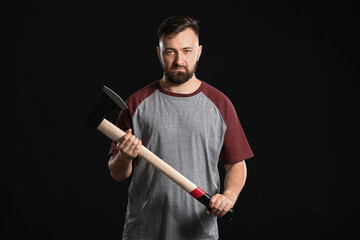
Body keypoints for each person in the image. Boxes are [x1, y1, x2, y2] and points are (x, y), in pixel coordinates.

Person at [108, 15, 254, 240]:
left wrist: (229, 196)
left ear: (199, 52)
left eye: (186, 50)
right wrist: (125, 157)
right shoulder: (136, 104)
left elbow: (236, 163)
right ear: (159, 53)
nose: (179, 60)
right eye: (170, 51)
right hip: (143, 231)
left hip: (198, 232)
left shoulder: (220, 104)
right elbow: (117, 173)